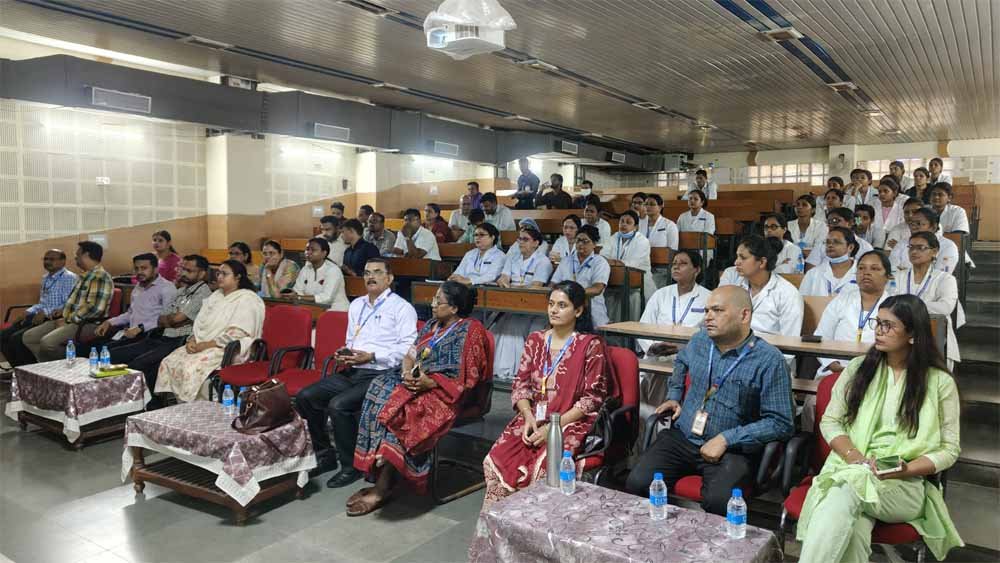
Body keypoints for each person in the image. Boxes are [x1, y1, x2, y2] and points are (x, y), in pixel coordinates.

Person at [796, 295, 962, 563]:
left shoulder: (939, 382)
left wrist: (906, 469)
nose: (879, 331)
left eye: (889, 325)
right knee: (854, 530)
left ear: (912, 334)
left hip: (904, 484)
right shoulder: (859, 368)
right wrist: (854, 457)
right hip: (851, 467)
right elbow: (831, 420)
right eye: (878, 323)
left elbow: (949, 449)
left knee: (845, 490)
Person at [625, 285, 794, 515]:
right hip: (684, 437)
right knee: (637, 483)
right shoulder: (700, 341)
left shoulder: (769, 361)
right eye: (706, 311)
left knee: (719, 502)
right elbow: (681, 362)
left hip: (732, 449)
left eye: (717, 310)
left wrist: (727, 439)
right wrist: (675, 395)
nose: (708, 317)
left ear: (744, 315)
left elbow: (781, 422)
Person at [349, 282, 490, 516]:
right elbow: (410, 354)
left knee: (401, 410)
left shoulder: (471, 330)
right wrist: (407, 372)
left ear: (454, 308)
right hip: (417, 381)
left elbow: (469, 377)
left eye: (438, 301)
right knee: (378, 388)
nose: (432, 304)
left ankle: (383, 485)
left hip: (448, 394)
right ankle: (382, 463)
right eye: (433, 299)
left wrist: (431, 383)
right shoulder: (432, 325)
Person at [481, 281, 611, 510]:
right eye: (551, 304)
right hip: (534, 416)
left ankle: (535, 524)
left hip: (570, 420)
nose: (554, 310)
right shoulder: (535, 340)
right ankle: (503, 522)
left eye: (562, 305)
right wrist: (527, 416)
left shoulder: (590, 345)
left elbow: (592, 399)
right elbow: (520, 385)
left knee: (544, 468)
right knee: (498, 457)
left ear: (578, 311)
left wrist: (553, 427)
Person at [295, 258, 418, 488]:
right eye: (367, 272)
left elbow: (407, 350)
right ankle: (324, 454)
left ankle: (350, 466)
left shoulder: (402, 308)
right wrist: (346, 352)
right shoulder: (357, 305)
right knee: (306, 397)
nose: (371, 277)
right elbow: (352, 339)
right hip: (354, 369)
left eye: (377, 272)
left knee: (338, 405)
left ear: (389, 278)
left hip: (383, 374)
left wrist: (371, 356)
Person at [110, 255, 213, 408]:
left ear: (202, 273)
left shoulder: (203, 294)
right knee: (115, 354)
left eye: (189, 271)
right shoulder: (181, 291)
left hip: (179, 340)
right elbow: (162, 318)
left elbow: (176, 319)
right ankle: (125, 403)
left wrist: (173, 319)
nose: (184, 273)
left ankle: (145, 406)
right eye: (183, 269)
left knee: (138, 364)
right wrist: (173, 319)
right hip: (162, 335)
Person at [155, 260, 264, 402]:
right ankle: (178, 406)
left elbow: (239, 333)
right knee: (169, 361)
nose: (219, 277)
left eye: (224, 274)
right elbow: (199, 323)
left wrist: (206, 345)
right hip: (202, 344)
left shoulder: (247, 299)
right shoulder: (215, 296)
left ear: (238, 277)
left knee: (191, 367)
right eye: (218, 273)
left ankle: (198, 408)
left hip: (228, 348)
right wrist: (192, 340)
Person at [20, 241, 114, 363]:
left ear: (86, 255)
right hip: (70, 318)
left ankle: (74, 364)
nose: (75, 258)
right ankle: (49, 367)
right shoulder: (85, 276)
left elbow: (94, 309)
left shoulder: (99, 277)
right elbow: (74, 302)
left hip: (87, 323)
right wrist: (62, 312)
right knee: (29, 337)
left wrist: (68, 319)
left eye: (78, 254)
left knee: (48, 343)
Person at [491, 227, 555, 382]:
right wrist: (504, 281)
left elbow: (537, 285)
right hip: (511, 304)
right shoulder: (512, 258)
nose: (521, 242)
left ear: (536, 243)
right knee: (495, 327)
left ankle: (517, 370)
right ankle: (498, 369)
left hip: (533, 307)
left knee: (513, 327)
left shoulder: (543, 261)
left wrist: (514, 288)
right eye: (519, 239)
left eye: (525, 239)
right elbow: (503, 277)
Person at [0, 250, 77, 368]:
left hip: (55, 318)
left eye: (52, 259)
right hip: (38, 315)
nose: (47, 262)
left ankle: (32, 370)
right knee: (3, 336)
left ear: (63, 261)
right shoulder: (46, 278)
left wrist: (45, 313)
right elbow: (42, 303)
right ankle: (19, 369)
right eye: (45, 259)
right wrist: (28, 312)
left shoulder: (69, 278)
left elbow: (68, 304)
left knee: (17, 339)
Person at [896, 233, 963, 368]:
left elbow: (945, 307)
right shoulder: (898, 276)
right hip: (900, 335)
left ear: (934, 252)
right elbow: (890, 303)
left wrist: (910, 305)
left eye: (920, 248)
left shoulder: (945, 279)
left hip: (934, 336)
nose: (914, 252)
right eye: (911, 247)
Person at [90, 253, 177, 355]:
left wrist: (141, 328)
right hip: (131, 333)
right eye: (136, 268)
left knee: (108, 353)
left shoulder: (167, 288)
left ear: (156, 269)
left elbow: (167, 320)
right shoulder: (139, 287)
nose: (139, 272)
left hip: (151, 336)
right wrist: (109, 322)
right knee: (90, 347)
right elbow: (130, 313)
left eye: (144, 268)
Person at [721, 236, 804, 339]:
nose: (736, 262)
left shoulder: (788, 294)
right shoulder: (736, 285)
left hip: (770, 347)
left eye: (743, 258)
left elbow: (790, 340)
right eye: (737, 257)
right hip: (734, 344)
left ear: (762, 262)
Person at [638, 250, 710, 357]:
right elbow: (644, 326)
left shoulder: (708, 297)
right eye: (674, 264)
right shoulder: (660, 294)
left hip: (690, 355)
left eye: (683, 263)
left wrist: (683, 348)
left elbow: (709, 334)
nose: (676, 267)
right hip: (656, 353)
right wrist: (652, 347)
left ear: (697, 270)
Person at [550, 225, 611, 330]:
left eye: (585, 241)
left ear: (594, 244)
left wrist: (572, 293)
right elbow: (553, 284)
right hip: (565, 310)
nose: (580, 244)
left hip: (592, 311)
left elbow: (597, 289)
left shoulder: (600, 262)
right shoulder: (566, 261)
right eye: (578, 240)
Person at [600, 210, 654, 315]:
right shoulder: (614, 237)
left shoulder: (642, 241)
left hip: (638, 281)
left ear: (636, 227)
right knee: (605, 294)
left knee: (633, 296)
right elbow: (603, 255)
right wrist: (613, 262)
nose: (624, 224)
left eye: (628, 222)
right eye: (622, 221)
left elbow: (634, 263)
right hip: (614, 279)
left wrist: (614, 262)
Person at [888, 208, 959, 273]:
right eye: (912, 223)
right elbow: (892, 269)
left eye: (918, 224)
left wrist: (906, 272)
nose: (913, 227)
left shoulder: (948, 246)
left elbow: (940, 276)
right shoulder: (902, 243)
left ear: (933, 227)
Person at [292, 237, 350, 311]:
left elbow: (327, 298)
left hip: (336, 310)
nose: (308, 252)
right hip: (312, 308)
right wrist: (296, 296)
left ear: (324, 253)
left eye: (313, 250)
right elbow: (297, 290)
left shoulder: (333, 270)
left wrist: (299, 297)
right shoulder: (306, 269)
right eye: (307, 249)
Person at [800, 227, 859, 297]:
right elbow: (802, 299)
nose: (830, 245)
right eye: (828, 242)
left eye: (836, 242)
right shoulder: (813, 273)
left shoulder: (862, 272)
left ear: (850, 247)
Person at [806, 208, 874, 268]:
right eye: (829, 222)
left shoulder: (865, 247)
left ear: (850, 223)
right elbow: (810, 269)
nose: (831, 225)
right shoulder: (822, 244)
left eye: (835, 221)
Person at [871, 177, 905, 247]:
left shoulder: (901, 210)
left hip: (893, 242)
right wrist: (858, 224)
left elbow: (903, 227)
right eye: (879, 192)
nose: (882, 194)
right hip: (872, 241)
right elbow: (858, 217)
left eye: (886, 191)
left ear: (894, 193)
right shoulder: (872, 205)